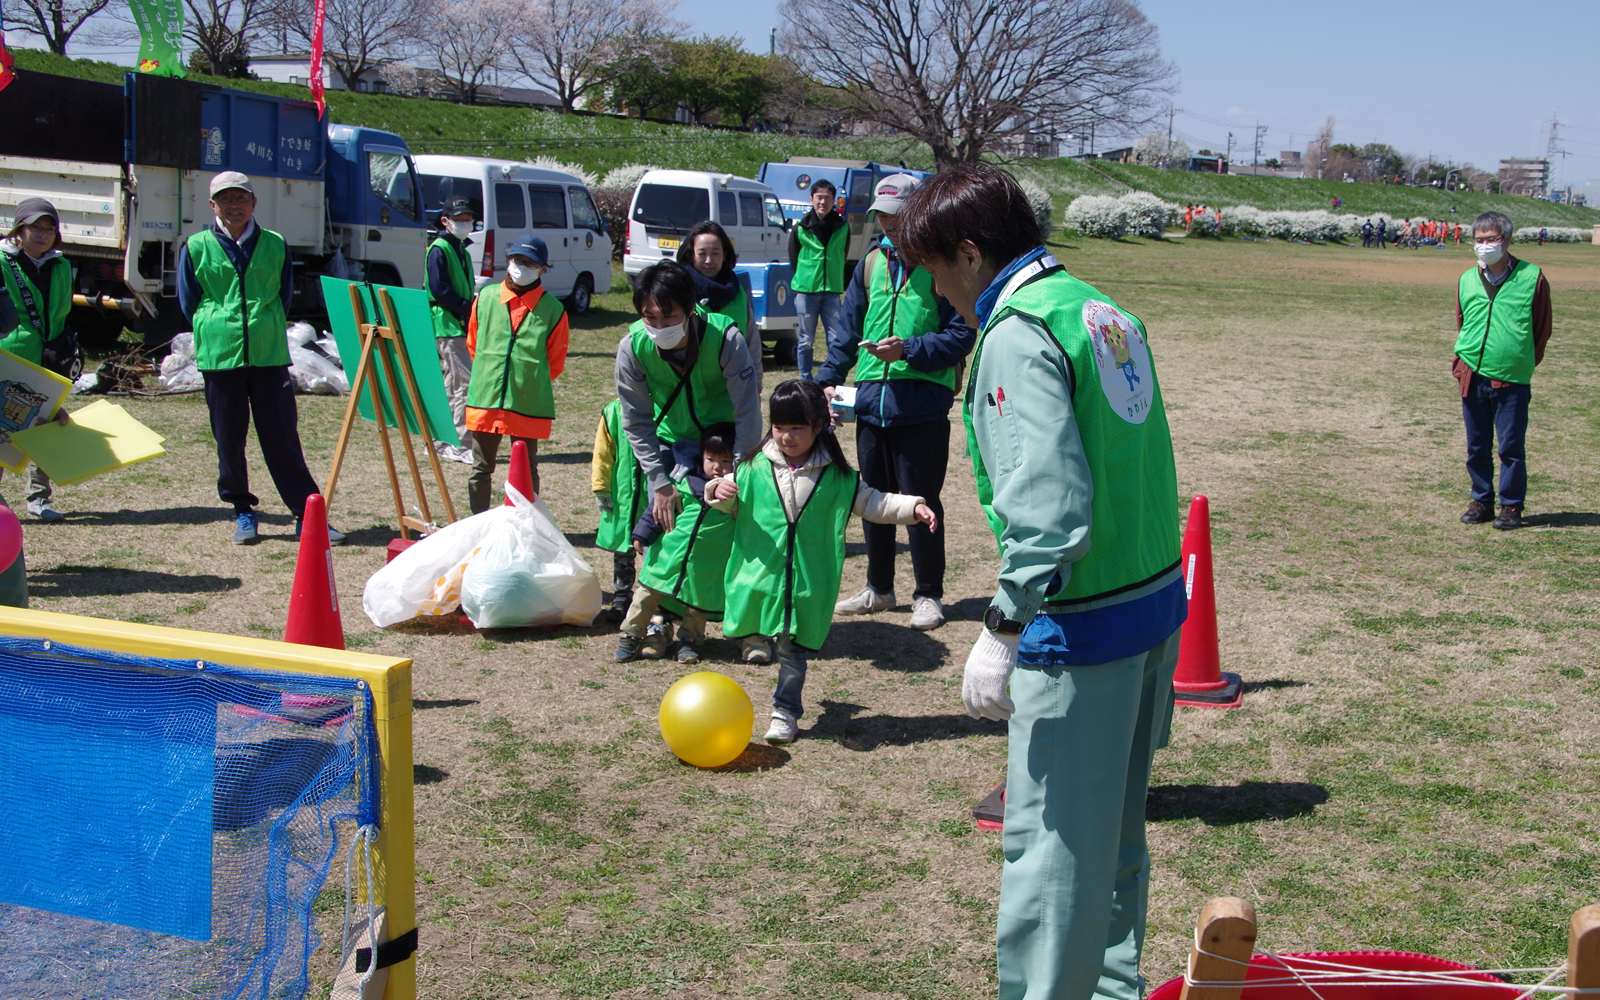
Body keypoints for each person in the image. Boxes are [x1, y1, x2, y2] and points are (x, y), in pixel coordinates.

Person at [896, 164, 1187, 1000]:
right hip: (1149, 607)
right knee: (1113, 844)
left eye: (936, 268)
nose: (935, 289)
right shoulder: (1099, 307)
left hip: (1083, 626)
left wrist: (1001, 625)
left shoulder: (1020, 332)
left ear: (971, 252)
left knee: (1053, 853)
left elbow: (1051, 513)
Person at [707, 380, 936, 744]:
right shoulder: (753, 468)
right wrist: (716, 491)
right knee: (761, 632)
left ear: (818, 426)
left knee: (792, 653)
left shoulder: (839, 477)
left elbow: (873, 503)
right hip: (762, 576)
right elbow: (725, 497)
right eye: (779, 426)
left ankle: (784, 711)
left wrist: (913, 507)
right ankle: (755, 656)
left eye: (797, 427)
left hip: (807, 583)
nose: (786, 436)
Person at [817, 173, 974, 632]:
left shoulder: (942, 268)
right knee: (874, 500)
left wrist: (907, 349)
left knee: (922, 502)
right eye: (881, 215)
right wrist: (826, 380)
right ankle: (879, 589)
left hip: (921, 406)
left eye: (896, 215)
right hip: (869, 404)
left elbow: (962, 333)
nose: (887, 224)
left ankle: (928, 594)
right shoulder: (869, 264)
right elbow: (845, 334)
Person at [177, 172, 344, 546]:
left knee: (282, 436)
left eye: (241, 197)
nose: (233, 205)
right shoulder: (197, 245)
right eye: (225, 199)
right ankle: (242, 510)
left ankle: (306, 514)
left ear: (254, 202)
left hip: (268, 355)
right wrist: (219, 325)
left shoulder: (274, 243)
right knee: (229, 438)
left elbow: (283, 295)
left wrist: (262, 324)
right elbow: (189, 302)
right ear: (212, 206)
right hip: (220, 356)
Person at [613, 260, 762, 617]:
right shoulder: (632, 347)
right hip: (671, 444)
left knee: (727, 529)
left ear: (691, 308)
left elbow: (747, 411)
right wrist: (660, 481)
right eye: (650, 317)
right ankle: (659, 617)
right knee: (663, 525)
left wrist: (738, 473)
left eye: (668, 316)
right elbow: (636, 421)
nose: (659, 326)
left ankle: (734, 618)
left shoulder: (726, 338)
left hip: (723, 446)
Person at [1453, 211, 1552, 531]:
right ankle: (1481, 499)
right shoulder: (1467, 278)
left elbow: (1542, 328)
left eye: (1491, 239)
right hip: (1473, 373)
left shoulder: (1532, 277)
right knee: (1476, 445)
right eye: (1479, 240)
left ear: (1507, 239)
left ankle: (1510, 506)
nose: (1484, 246)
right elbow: (1462, 320)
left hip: (1511, 378)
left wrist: (1518, 359)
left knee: (1510, 447)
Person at [615, 423, 737, 665]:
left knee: (697, 604)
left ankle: (690, 641)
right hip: (667, 556)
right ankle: (630, 634)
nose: (717, 467)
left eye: (725, 461)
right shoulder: (681, 483)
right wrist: (641, 535)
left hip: (706, 564)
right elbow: (655, 511)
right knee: (645, 596)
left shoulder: (736, 496)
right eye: (710, 458)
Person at [463, 236, 568, 514]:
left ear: (543, 269)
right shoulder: (484, 298)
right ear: (509, 260)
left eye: (530, 263)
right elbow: (473, 343)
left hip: (527, 402)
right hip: (486, 398)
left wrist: (526, 381)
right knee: (481, 468)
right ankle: (480, 522)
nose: (522, 267)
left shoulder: (554, 310)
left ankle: (525, 522)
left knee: (526, 468)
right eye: (518, 260)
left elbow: (554, 362)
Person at [0, 198, 72, 522]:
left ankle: (39, 497)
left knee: (47, 423)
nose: (42, 235)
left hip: (49, 356)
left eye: (49, 229)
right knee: (4, 429)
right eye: (35, 227)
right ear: (19, 230)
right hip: (10, 357)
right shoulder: (3, 260)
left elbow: (62, 315)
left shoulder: (62, 266)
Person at [677, 220, 761, 389]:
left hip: (733, 392)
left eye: (715, 253)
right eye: (702, 253)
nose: (709, 260)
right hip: (690, 393)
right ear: (690, 255)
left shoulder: (738, 295)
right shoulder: (679, 292)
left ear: (725, 254)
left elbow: (752, 342)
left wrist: (756, 384)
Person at [425, 195, 477, 464]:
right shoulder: (439, 249)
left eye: (468, 219)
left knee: (451, 385)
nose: (466, 223)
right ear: (445, 221)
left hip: (458, 324)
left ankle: (439, 441)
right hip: (447, 323)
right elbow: (439, 290)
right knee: (465, 385)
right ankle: (460, 443)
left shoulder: (462, 251)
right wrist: (466, 307)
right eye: (460, 220)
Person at [787, 180, 848, 380]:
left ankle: (831, 377)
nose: (823, 202)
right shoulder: (800, 228)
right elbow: (794, 257)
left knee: (835, 339)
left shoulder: (842, 226)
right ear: (811, 199)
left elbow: (843, 254)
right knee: (805, 340)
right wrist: (807, 278)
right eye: (819, 197)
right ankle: (805, 379)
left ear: (834, 201)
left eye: (828, 198)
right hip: (806, 291)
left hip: (831, 291)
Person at [592, 399, 644, 623]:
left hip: (653, 494)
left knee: (657, 550)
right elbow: (603, 453)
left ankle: (654, 599)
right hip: (624, 495)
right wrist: (601, 487)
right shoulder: (614, 411)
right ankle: (622, 595)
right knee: (623, 550)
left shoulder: (664, 400)